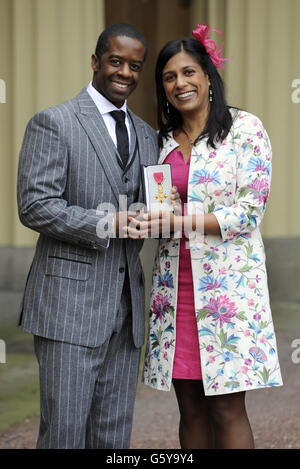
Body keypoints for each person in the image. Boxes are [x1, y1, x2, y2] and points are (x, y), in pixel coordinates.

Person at [127, 24, 283, 449]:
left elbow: (249, 212)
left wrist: (179, 222)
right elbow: (157, 206)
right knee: (191, 408)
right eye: (170, 77)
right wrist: (145, 219)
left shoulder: (244, 129)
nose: (181, 83)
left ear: (208, 76)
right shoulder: (161, 143)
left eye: (189, 72)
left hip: (228, 290)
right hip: (174, 291)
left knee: (227, 409)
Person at [17, 23, 164, 449]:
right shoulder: (54, 122)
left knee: (113, 437)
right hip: (69, 306)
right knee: (64, 435)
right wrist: (110, 223)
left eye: (135, 66)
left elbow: (147, 204)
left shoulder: (147, 135)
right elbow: (35, 205)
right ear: (96, 61)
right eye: (116, 61)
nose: (126, 73)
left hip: (126, 305)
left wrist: (153, 218)